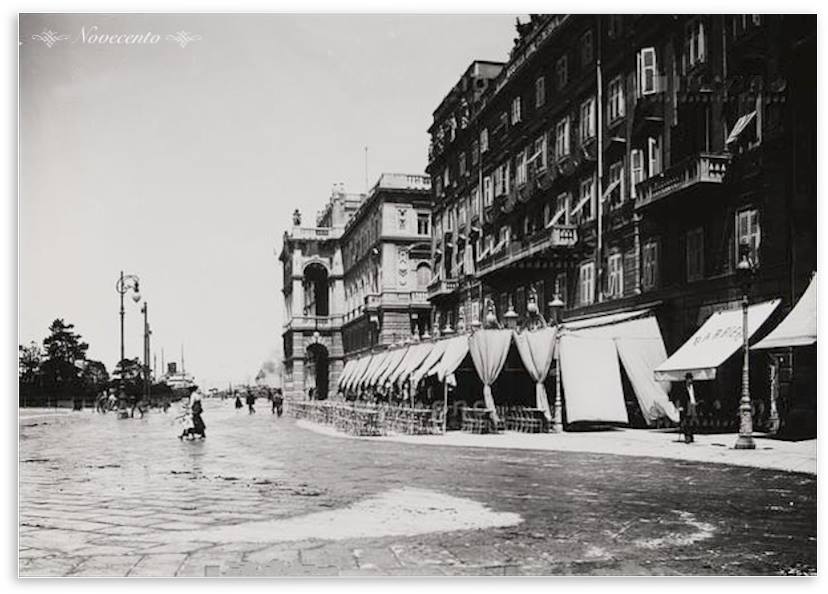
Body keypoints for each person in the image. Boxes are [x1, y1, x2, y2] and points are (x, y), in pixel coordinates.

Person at [677, 373, 699, 443]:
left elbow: (696, 394)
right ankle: (687, 436)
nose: (690, 380)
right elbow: (680, 397)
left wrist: (697, 401)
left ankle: (691, 435)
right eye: (689, 379)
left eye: (691, 379)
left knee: (692, 422)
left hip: (693, 404)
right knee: (686, 421)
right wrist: (680, 406)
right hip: (686, 405)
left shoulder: (694, 386)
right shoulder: (683, 387)